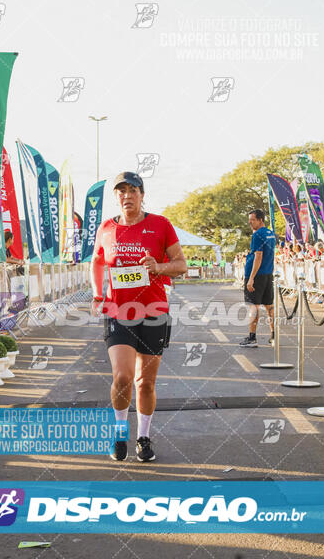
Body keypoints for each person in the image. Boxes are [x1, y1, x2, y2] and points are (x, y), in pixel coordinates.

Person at [90, 171, 187, 462]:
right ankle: (120, 433)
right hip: (118, 312)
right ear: (116, 197)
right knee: (122, 377)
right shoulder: (106, 228)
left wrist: (158, 267)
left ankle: (143, 437)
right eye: (121, 191)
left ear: (142, 195)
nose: (126, 196)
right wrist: (97, 294)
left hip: (154, 312)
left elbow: (181, 264)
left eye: (132, 190)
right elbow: (96, 261)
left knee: (145, 383)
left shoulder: (160, 225)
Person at [239, 209, 276, 347]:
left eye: (253, 220)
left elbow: (258, 256)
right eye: (249, 220)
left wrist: (251, 278)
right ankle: (273, 336)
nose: (250, 222)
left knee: (253, 307)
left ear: (261, 220)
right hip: (267, 274)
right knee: (269, 306)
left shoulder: (258, 235)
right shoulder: (271, 233)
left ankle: (252, 338)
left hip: (257, 275)